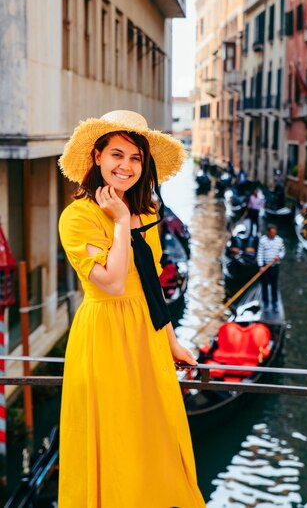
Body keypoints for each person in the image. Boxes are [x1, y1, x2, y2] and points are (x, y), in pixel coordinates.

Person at [58, 110, 205, 507]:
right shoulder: (77, 217)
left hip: (149, 335)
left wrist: (171, 341)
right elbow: (112, 280)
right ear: (97, 158)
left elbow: (152, 287)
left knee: (158, 433)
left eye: (136, 158)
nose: (126, 166)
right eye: (117, 155)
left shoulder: (151, 214)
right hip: (104, 336)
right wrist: (121, 223)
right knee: (116, 438)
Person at [257, 224, 286, 311]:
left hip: (275, 266)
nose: (273, 235)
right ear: (268, 232)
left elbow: (283, 251)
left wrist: (279, 256)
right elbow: (260, 253)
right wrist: (261, 266)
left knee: (274, 285)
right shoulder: (263, 240)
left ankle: (274, 303)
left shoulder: (279, 240)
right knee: (265, 285)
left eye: (274, 233)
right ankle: (265, 303)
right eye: (272, 233)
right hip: (265, 266)